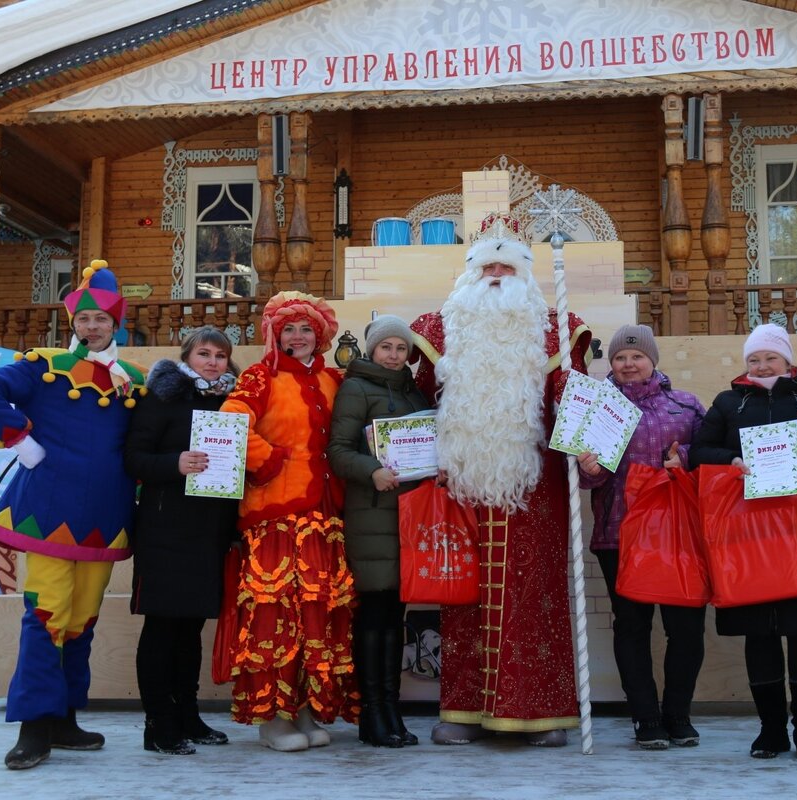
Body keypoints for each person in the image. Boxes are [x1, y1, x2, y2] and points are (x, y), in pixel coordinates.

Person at [409, 214, 592, 747]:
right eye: (486, 264)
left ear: (524, 273)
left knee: (533, 597)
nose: (494, 272)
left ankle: (538, 714)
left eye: (505, 264)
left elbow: (575, 403)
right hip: (461, 485)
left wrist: (588, 448)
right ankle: (461, 712)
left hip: (533, 488)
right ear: (468, 272)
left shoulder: (559, 328)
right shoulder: (437, 329)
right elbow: (418, 405)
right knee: (462, 599)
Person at [0, 259, 146, 770]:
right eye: (84, 319)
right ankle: (33, 727)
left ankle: (64, 715)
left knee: (83, 620)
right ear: (74, 324)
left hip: (105, 519)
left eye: (101, 320)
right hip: (48, 515)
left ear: (116, 324)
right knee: (45, 617)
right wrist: (21, 440)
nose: (92, 327)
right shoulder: (44, 366)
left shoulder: (132, 379)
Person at [690, 322, 797, 762]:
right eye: (755, 359)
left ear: (788, 361)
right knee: (759, 635)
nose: (763, 366)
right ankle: (770, 731)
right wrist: (732, 459)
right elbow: (698, 452)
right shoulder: (728, 403)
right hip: (748, 535)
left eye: (771, 358)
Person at [218, 291, 356, 752]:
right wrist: (268, 460)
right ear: (275, 335)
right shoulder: (261, 376)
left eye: (306, 329)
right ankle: (271, 719)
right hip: (274, 515)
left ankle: (301, 710)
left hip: (324, 514)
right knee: (274, 616)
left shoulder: (335, 380)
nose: (297, 336)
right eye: (289, 329)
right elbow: (231, 419)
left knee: (314, 617)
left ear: (320, 336)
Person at [577, 324, 708, 750]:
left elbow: (712, 456)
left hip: (677, 534)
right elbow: (587, 481)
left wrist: (684, 458)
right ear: (611, 364)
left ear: (652, 360)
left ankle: (678, 715)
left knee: (685, 628)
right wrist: (589, 469)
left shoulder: (685, 405)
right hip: (619, 533)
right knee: (632, 627)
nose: (629, 364)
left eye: (636, 356)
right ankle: (645, 718)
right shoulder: (597, 407)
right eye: (620, 358)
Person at [123, 326, 240, 755]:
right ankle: (159, 724)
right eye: (203, 353)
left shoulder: (232, 403)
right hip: (164, 528)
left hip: (208, 530)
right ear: (187, 357)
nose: (212, 362)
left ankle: (188, 716)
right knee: (162, 627)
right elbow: (133, 457)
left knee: (190, 629)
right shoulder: (161, 397)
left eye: (220, 355)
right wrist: (175, 462)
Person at [327, 314, 430, 748]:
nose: (393, 355)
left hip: (409, 517)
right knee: (374, 614)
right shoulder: (355, 387)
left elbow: (429, 445)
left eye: (401, 348)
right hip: (372, 515)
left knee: (395, 616)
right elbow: (337, 451)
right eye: (386, 347)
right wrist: (372, 472)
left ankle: (392, 711)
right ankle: (372, 714)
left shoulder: (414, 392)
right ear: (372, 349)